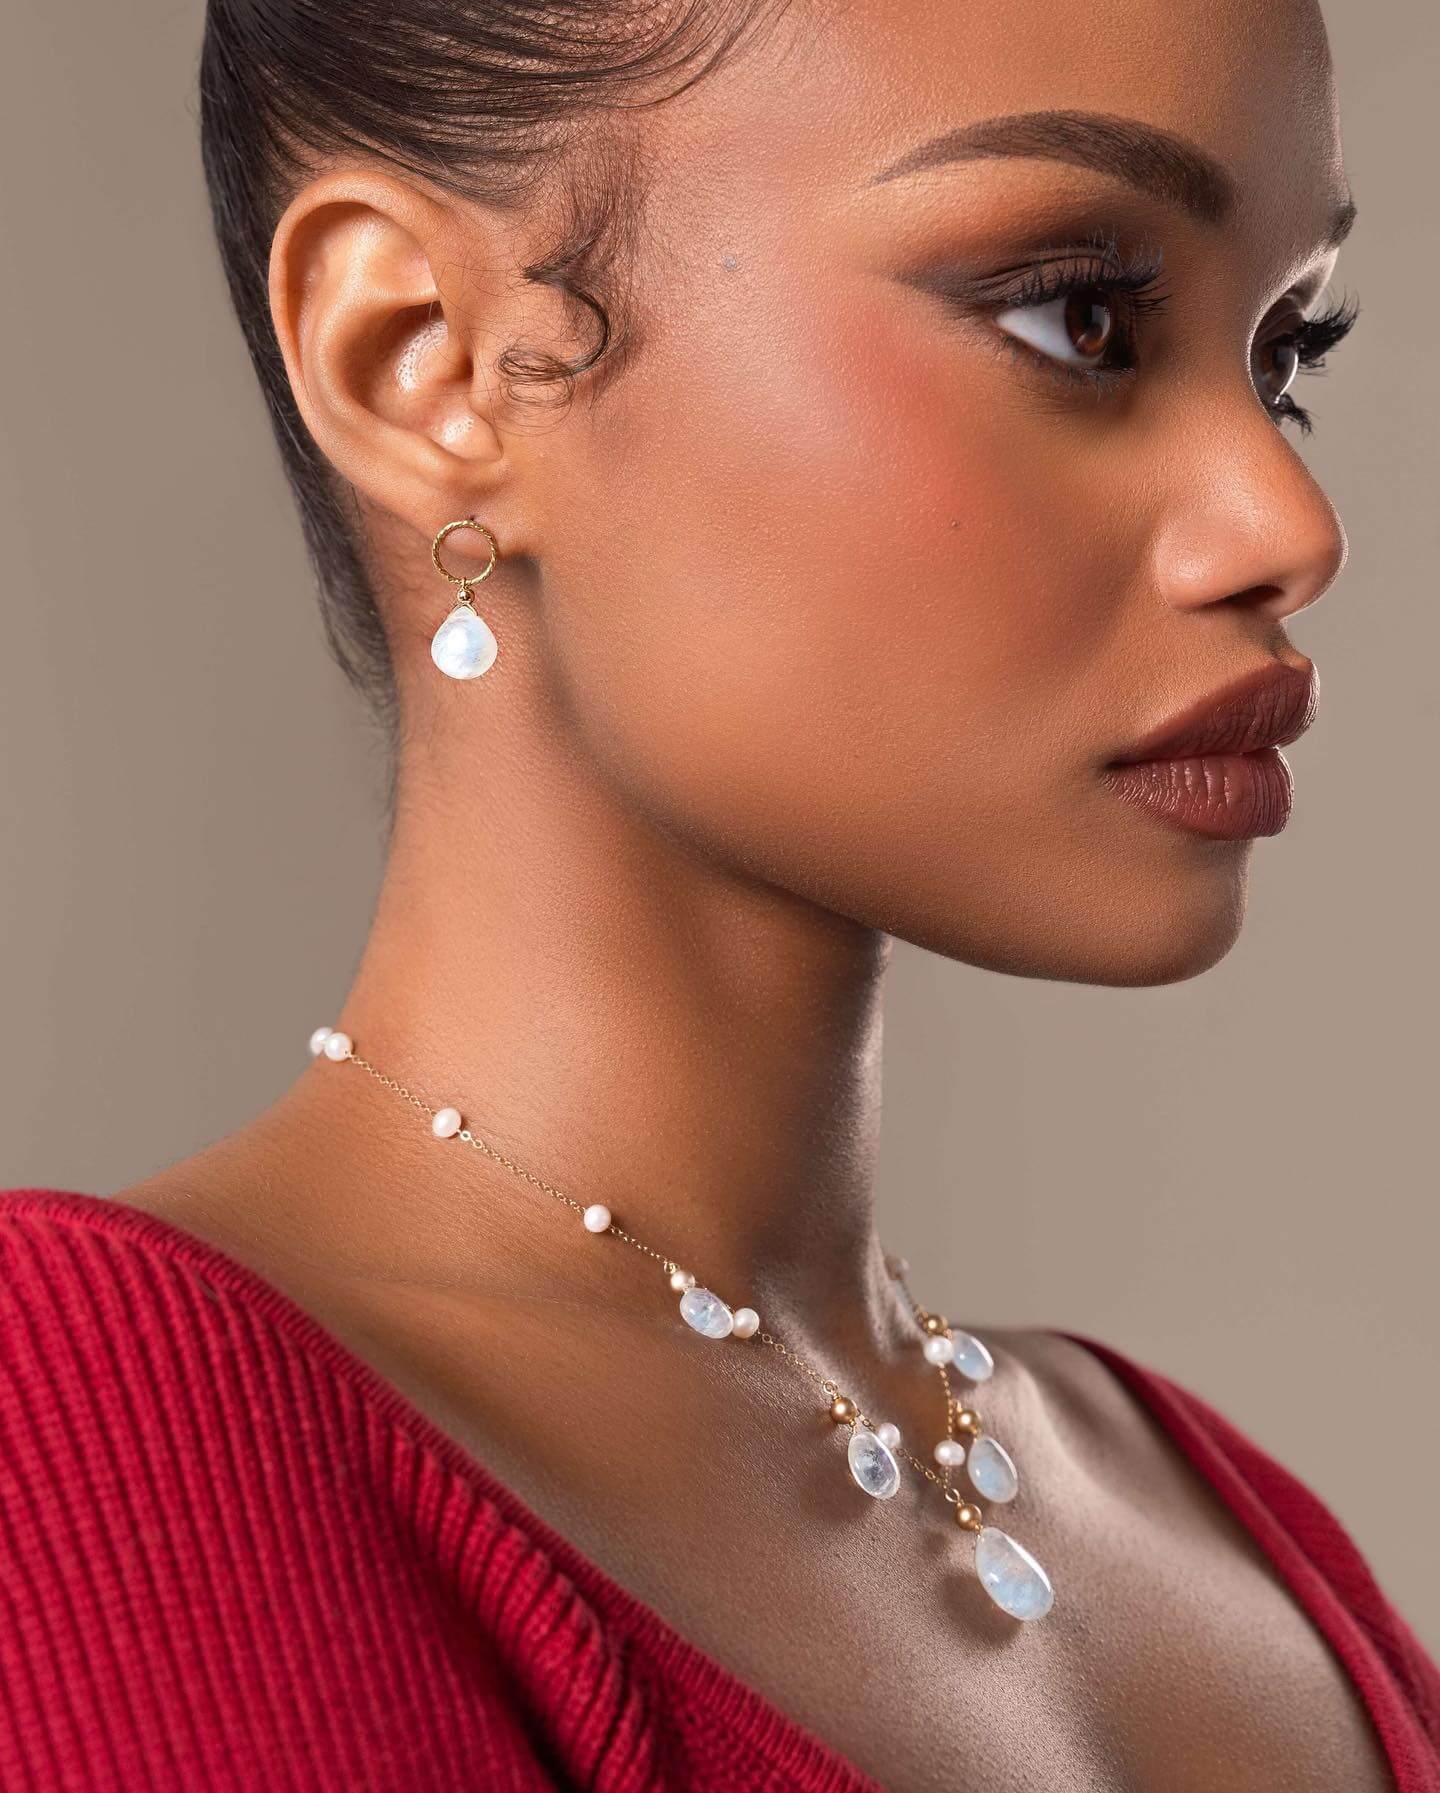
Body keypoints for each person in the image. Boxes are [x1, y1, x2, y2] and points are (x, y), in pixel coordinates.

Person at [3, 0, 1437, 1787]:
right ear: (426, 365)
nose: (1287, 519)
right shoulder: (93, 1451)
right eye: (1081, 316)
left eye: (1283, 350)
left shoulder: (1245, 1538)